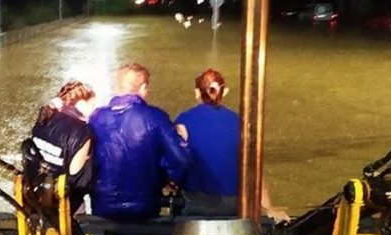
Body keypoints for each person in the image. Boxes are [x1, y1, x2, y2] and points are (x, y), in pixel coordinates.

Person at [175, 68, 287, 220]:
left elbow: (176, 162)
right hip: (235, 203)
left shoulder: (184, 121)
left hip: (197, 203)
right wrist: (267, 207)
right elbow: (254, 167)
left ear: (196, 92)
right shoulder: (240, 122)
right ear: (225, 91)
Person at [89, 63, 189, 220]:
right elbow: (180, 159)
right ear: (143, 88)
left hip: (103, 206)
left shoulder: (96, 117)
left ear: (116, 88)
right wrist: (170, 179)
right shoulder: (155, 117)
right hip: (144, 206)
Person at [27, 81, 96, 215]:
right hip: (65, 203)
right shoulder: (82, 132)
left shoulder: (44, 117)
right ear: (81, 104)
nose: (95, 110)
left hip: (37, 193)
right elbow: (78, 180)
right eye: (92, 105)